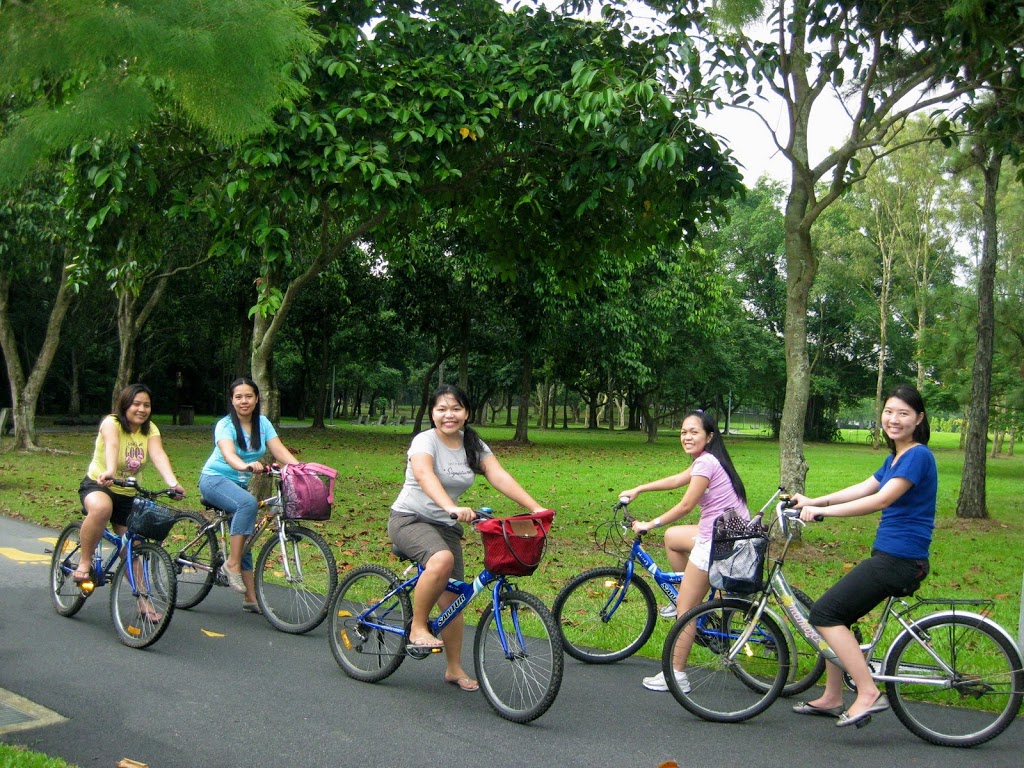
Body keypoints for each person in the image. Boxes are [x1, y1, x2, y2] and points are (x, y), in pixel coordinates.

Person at [789, 384, 936, 728]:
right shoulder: (896, 458)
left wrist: (825, 514)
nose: (894, 419)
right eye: (888, 411)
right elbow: (863, 487)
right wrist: (814, 501)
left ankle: (868, 693)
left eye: (903, 413)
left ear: (918, 419)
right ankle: (833, 696)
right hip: (891, 556)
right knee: (839, 615)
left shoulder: (918, 455)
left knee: (825, 613)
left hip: (900, 561)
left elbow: (881, 500)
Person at [388, 384, 548, 693]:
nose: (449, 415)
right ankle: (418, 627)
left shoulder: (472, 444)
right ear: (432, 413)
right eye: (441, 409)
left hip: (445, 526)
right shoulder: (425, 441)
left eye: (456, 409)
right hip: (409, 519)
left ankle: (453, 668)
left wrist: (534, 507)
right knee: (441, 559)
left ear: (467, 413)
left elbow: (498, 475)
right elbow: (425, 476)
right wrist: (449, 506)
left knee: (455, 600)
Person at [619, 409, 750, 692]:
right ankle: (691, 592)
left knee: (686, 609)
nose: (687, 437)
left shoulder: (706, 464)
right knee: (673, 538)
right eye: (683, 432)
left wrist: (649, 524)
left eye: (694, 432)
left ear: (709, 436)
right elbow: (678, 479)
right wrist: (640, 488)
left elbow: (686, 506)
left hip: (720, 541)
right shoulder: (707, 460)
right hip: (730, 534)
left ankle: (676, 676)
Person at [75, 383, 186, 618]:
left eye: (146, 405)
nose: (141, 409)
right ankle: (84, 562)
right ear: (125, 405)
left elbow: (158, 454)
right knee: (102, 508)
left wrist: (172, 483)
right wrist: (111, 472)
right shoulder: (111, 423)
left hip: (127, 493)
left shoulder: (150, 429)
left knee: (134, 547)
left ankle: (144, 602)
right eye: (136, 404)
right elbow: (112, 447)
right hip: (99, 483)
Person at [199, 377, 298, 612]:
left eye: (249, 396)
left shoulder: (263, 423)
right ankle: (231, 564)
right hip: (214, 480)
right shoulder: (225, 425)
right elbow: (228, 452)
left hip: (237, 486)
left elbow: (279, 450)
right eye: (239, 397)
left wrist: (300, 469)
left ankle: (251, 598)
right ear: (232, 401)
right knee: (248, 504)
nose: (244, 401)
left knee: (245, 536)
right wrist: (243, 465)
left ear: (257, 399)